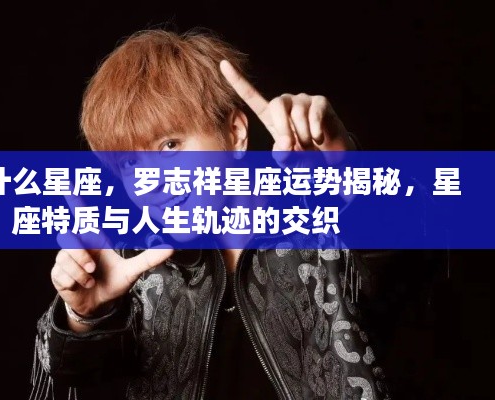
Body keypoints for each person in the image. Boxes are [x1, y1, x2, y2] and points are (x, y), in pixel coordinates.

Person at [30, 29, 390, 400]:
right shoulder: (135, 265)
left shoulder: (327, 231)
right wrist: (84, 317)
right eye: (130, 163)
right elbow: (73, 373)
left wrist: (349, 172)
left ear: (235, 133)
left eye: (169, 146)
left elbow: (409, 268)